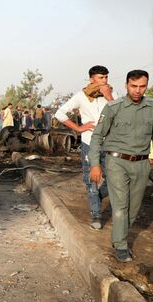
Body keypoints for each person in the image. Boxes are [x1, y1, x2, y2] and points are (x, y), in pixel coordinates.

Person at [89, 69, 153, 263]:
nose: (137, 90)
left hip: (142, 164)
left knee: (133, 209)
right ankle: (120, 244)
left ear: (146, 86)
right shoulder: (113, 107)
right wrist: (95, 164)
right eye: (133, 86)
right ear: (126, 85)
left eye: (142, 86)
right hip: (116, 162)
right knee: (120, 207)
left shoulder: (152, 107)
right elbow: (97, 136)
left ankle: (119, 236)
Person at [54, 65, 116, 230]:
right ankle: (96, 214)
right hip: (90, 143)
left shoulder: (112, 95)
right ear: (91, 79)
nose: (104, 81)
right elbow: (60, 113)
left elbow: (121, 114)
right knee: (92, 181)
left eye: (105, 78)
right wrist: (78, 128)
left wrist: (108, 96)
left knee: (114, 179)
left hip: (110, 143)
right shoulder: (81, 96)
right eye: (100, 78)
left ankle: (95, 196)